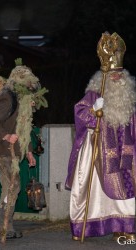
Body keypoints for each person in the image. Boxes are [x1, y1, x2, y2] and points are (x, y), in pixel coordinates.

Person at [65, 32, 136, 241]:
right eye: (112, 74)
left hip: (127, 153)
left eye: (119, 74)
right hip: (99, 151)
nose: (116, 77)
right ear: (103, 76)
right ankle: (90, 226)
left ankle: (126, 227)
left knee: (129, 188)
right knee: (94, 189)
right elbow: (80, 113)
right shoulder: (94, 95)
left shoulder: (130, 100)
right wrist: (94, 112)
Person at [0, 60, 48, 239]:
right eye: (27, 82)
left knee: (10, 186)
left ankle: (5, 227)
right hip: (0, 149)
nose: (31, 85)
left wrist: (29, 152)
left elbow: (25, 128)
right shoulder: (8, 98)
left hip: (13, 150)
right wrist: (6, 136)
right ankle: (3, 227)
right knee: (13, 185)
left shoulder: (24, 100)